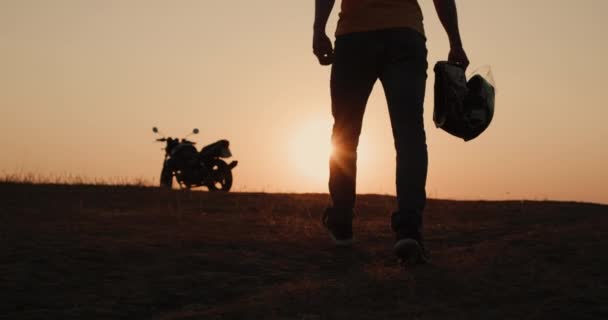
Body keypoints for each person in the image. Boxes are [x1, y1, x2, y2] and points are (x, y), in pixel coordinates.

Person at [313, 0, 469, 264]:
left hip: (354, 36)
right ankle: (409, 230)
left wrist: (319, 29)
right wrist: (455, 41)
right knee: (409, 136)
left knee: (345, 134)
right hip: (405, 35)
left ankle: (341, 219)